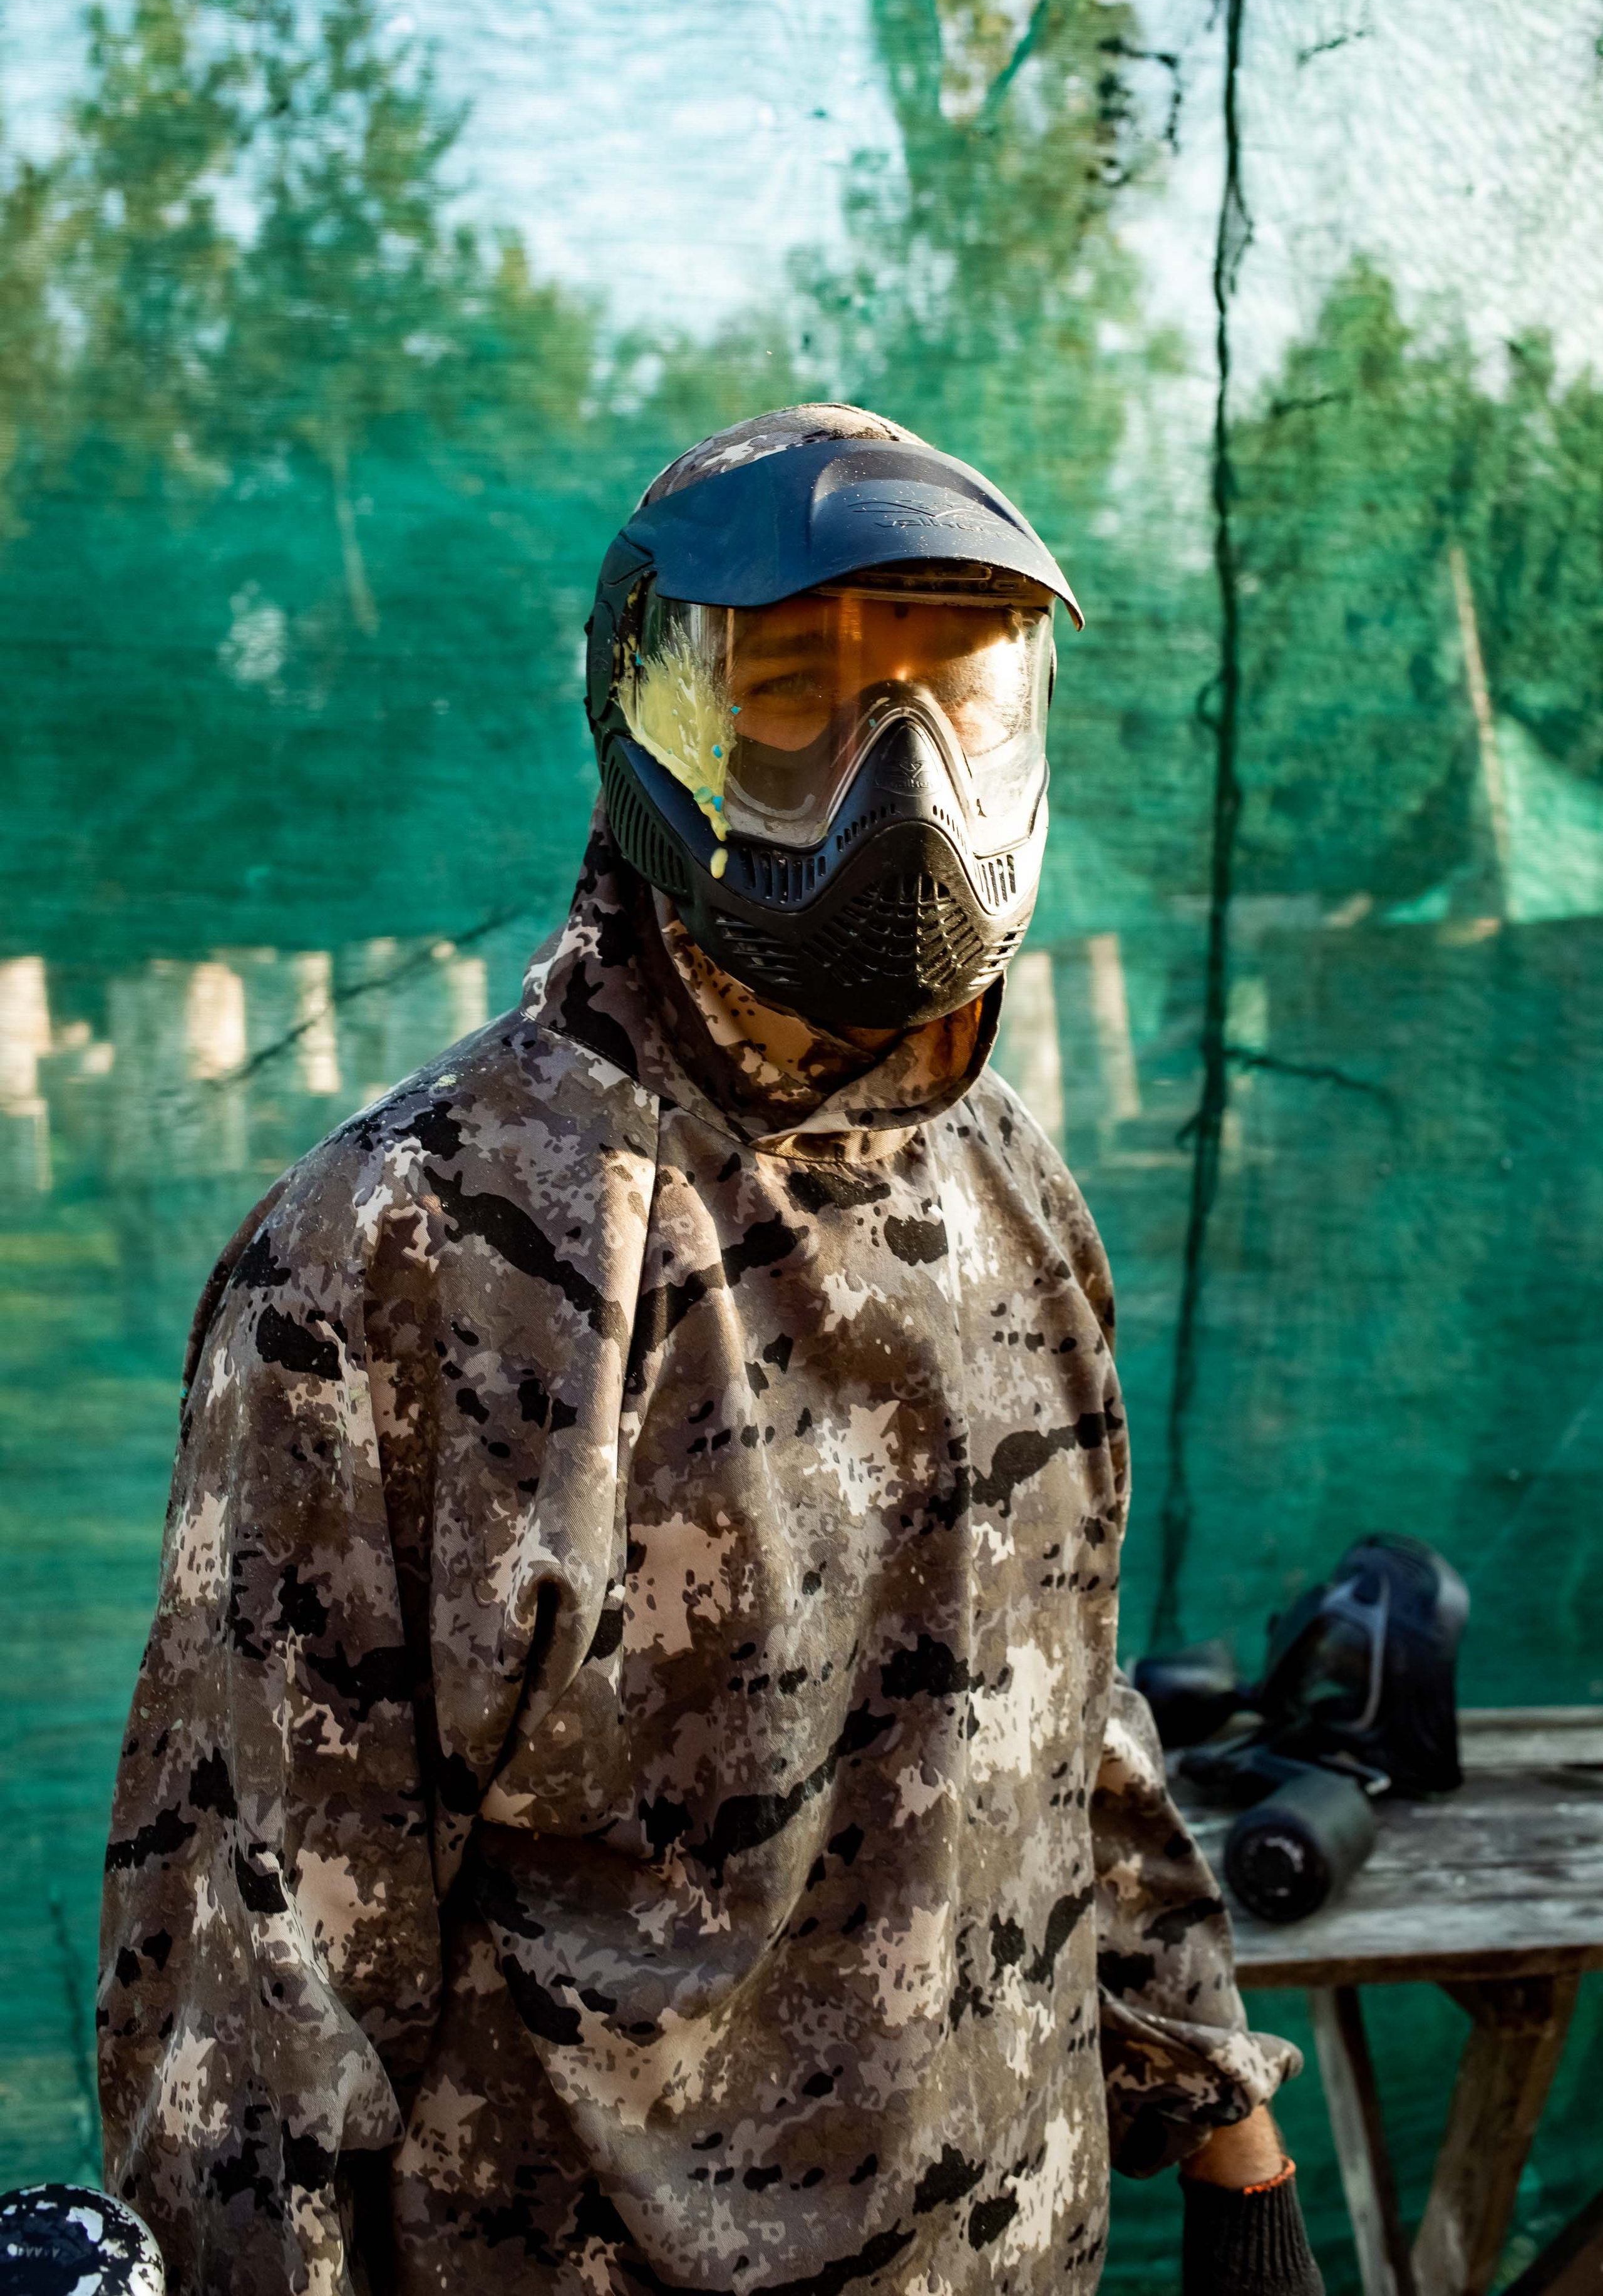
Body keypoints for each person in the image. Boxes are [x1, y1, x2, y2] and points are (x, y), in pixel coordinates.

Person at [100, 404, 1322, 2296]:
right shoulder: (404, 1264)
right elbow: (263, 1986)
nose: (890, 777)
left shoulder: (1012, 1188)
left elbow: (1064, 1709)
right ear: (649, 727)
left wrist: (1225, 2130)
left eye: (950, 693)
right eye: (790, 694)